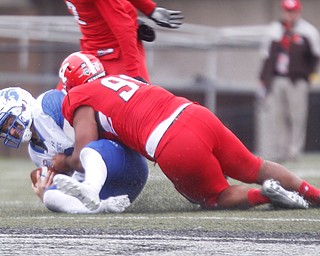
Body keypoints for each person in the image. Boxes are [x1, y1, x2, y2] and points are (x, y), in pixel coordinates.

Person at [52, 51, 320, 212]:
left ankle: (266, 195)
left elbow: (83, 153)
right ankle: (313, 193)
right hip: (195, 114)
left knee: (215, 196)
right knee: (254, 166)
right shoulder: (122, 77)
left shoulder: (79, 96)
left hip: (172, 141)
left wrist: (62, 163)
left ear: (71, 83)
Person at [0, 86, 149, 213]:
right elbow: (70, 180)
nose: (11, 132)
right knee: (49, 197)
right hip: (112, 194)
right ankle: (101, 208)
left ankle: (91, 189)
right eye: (5, 129)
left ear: (23, 105)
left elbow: (87, 141)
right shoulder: (35, 152)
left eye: (10, 122)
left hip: (122, 162)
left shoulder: (46, 106)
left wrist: (66, 162)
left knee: (89, 150)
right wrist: (47, 187)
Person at [60, 0, 183, 85]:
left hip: (91, 54)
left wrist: (149, 9)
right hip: (117, 55)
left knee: (65, 103)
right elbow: (124, 29)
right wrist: (133, 73)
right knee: (141, 107)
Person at [257, 0, 320, 162]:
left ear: (299, 12)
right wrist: (263, 79)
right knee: (277, 116)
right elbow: (266, 57)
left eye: (293, 11)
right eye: (287, 11)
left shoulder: (308, 31)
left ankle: (294, 152)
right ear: (282, 11)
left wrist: (308, 76)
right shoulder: (274, 30)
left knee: (297, 116)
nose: (290, 15)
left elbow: (315, 57)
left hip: (297, 81)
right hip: (277, 79)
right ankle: (281, 151)